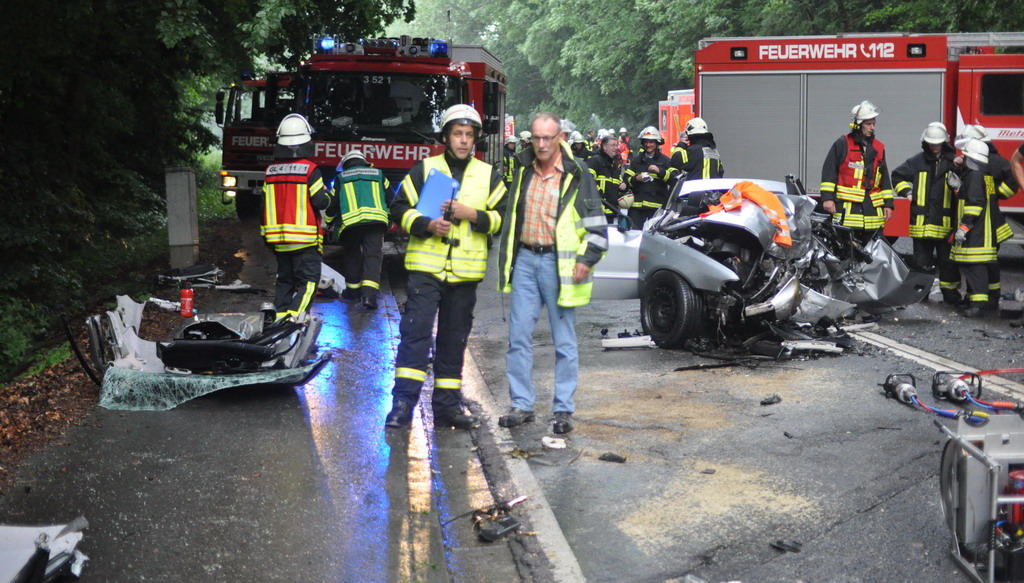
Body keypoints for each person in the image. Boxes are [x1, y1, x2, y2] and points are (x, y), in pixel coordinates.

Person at [384, 104, 507, 430]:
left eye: (469, 135)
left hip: (465, 274)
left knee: (454, 341)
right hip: (426, 269)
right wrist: (425, 224)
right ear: (446, 136)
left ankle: (446, 408)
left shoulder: (488, 174)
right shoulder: (425, 169)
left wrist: (473, 215)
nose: (463, 141)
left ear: (476, 138)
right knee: (416, 336)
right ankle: (402, 405)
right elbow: (398, 208)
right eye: (457, 134)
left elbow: (503, 218)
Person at [496, 112, 607, 435]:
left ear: (560, 138)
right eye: (536, 138)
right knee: (518, 337)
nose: (542, 144)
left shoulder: (577, 173)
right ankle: (521, 405)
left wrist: (587, 257)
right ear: (530, 138)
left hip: (559, 265)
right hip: (527, 262)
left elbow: (597, 225)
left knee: (564, 341)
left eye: (548, 138)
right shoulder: (522, 170)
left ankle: (563, 410)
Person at [261, 113, 332, 321]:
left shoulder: (270, 172)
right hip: (305, 241)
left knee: (285, 281)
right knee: (310, 282)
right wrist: (330, 196)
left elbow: (262, 208)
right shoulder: (311, 170)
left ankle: (280, 318)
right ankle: (294, 317)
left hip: (279, 241)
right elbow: (321, 202)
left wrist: (266, 237)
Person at [890, 122, 960, 304]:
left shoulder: (954, 162)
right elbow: (897, 175)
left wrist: (959, 184)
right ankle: (921, 295)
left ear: (944, 142)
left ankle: (951, 295)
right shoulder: (917, 161)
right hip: (921, 225)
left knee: (948, 263)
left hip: (944, 224)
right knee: (921, 263)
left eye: (938, 142)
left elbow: (966, 188)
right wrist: (907, 192)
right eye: (932, 142)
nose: (934, 146)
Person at [955, 125, 1020, 308]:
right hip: (989, 223)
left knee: (978, 264)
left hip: (980, 225)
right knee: (986, 263)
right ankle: (988, 297)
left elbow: (974, 200)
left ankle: (981, 300)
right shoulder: (986, 167)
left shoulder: (984, 168)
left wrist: (964, 226)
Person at [820, 100, 895, 244]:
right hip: (848, 210)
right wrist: (828, 198)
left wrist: (888, 204)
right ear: (858, 125)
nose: (872, 127)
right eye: (868, 124)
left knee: (872, 253)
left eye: (874, 123)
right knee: (846, 252)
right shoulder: (842, 143)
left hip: (872, 212)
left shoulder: (878, 148)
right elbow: (829, 171)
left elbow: (884, 178)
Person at [327, 150, 391, 310]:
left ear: (346, 165)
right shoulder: (379, 174)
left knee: (352, 255)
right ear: (364, 161)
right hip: (376, 222)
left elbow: (332, 204)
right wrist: (389, 219)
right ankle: (369, 297)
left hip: (351, 224)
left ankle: (353, 293)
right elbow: (392, 198)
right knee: (373, 257)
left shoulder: (341, 178)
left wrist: (327, 222)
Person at [625, 126, 672, 227]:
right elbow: (626, 180)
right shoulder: (637, 160)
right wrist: (635, 179)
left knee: (654, 239)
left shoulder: (665, 161)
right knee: (633, 236)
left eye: (651, 142)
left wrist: (660, 171)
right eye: (645, 142)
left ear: (657, 143)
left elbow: (674, 179)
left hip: (656, 208)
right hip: (637, 208)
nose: (648, 145)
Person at [586, 134, 630, 222]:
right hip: (596, 212)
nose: (616, 148)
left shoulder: (615, 165)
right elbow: (587, 180)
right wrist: (599, 193)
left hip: (611, 212)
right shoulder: (594, 161)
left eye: (616, 145)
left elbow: (618, 185)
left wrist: (624, 187)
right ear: (605, 147)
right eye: (613, 145)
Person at [669, 117, 723, 186]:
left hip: (695, 193)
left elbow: (675, 160)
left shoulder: (693, 151)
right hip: (712, 194)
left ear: (690, 135)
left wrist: (681, 145)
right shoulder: (714, 152)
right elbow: (720, 172)